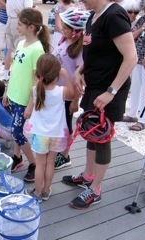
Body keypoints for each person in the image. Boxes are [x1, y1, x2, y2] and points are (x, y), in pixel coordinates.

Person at [62, 0, 137, 209]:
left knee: (102, 136)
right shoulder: (93, 16)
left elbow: (131, 57)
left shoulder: (114, 16)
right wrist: (79, 71)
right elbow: (93, 50)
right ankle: (88, 175)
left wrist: (111, 92)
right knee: (91, 131)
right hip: (95, 86)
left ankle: (95, 189)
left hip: (109, 89)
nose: (81, 1)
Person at [2, 8, 51, 182]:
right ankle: (17, 157)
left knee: (16, 132)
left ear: (31, 27)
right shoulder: (22, 44)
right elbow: (15, 70)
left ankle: (34, 164)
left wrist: (31, 103)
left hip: (24, 100)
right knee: (17, 129)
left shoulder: (38, 50)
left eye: (20, 24)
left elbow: (39, 80)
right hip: (14, 95)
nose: (17, 27)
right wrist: (7, 91)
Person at [24, 54, 74, 202]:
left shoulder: (34, 90)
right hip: (57, 134)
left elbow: (36, 85)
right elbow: (73, 93)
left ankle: (37, 193)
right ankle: (46, 190)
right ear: (57, 74)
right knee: (50, 162)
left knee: (40, 163)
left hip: (40, 134)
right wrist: (66, 75)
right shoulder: (61, 91)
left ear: (39, 74)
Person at [54, 7, 90, 170]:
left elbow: (79, 80)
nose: (63, 29)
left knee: (67, 125)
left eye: (67, 27)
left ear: (76, 31)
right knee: (58, 123)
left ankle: (65, 156)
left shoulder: (80, 50)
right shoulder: (63, 40)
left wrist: (76, 101)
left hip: (69, 95)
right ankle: (58, 149)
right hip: (58, 91)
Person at [123, 1, 145, 131]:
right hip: (138, 58)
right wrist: (143, 28)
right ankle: (132, 114)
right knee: (136, 87)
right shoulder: (143, 19)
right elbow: (131, 36)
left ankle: (143, 120)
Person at [2, 0, 33, 82]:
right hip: (19, 21)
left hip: (10, 20)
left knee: (11, 49)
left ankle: (6, 76)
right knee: (20, 50)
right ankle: (16, 75)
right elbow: (28, 11)